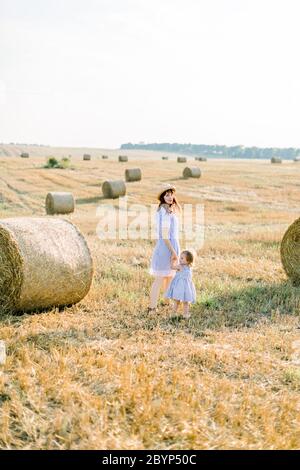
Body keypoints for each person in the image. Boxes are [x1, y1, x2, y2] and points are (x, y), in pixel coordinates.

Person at [148, 183, 181, 312]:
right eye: (167, 195)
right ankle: (152, 308)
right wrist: (174, 252)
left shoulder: (165, 210)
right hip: (166, 248)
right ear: (162, 197)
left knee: (169, 277)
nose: (170, 197)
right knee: (160, 278)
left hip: (170, 247)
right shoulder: (165, 212)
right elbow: (165, 236)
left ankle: (166, 303)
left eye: (171, 194)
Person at [164, 250, 196, 319]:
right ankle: (185, 314)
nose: (180, 259)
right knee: (185, 301)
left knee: (177, 301)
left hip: (180, 287)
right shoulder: (189, 268)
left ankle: (174, 313)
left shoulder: (180, 266)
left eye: (182, 258)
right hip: (186, 288)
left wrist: (172, 260)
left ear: (187, 261)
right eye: (180, 257)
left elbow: (172, 267)